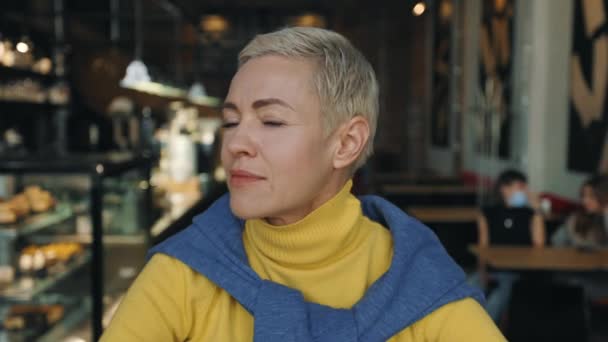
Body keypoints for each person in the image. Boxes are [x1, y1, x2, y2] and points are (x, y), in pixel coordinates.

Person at [101, 27, 504, 341]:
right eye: (231, 121)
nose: (236, 143)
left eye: (271, 121)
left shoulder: (417, 280)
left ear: (346, 143)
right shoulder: (182, 271)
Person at [473, 169, 546, 323]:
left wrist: (538, 210)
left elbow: (539, 244)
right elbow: (483, 245)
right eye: (520, 187)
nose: (525, 191)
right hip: (492, 267)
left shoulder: (529, 213)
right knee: (463, 291)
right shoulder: (488, 212)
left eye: (525, 187)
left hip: (518, 270)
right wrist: (482, 270)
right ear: (504, 188)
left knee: (496, 301)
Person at [552, 175, 608, 249]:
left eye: (591, 196)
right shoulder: (576, 218)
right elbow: (556, 241)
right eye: (583, 196)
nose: (585, 201)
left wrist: (606, 212)